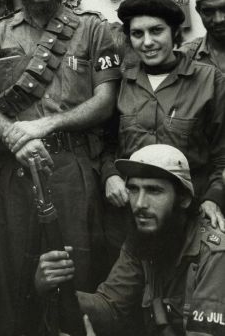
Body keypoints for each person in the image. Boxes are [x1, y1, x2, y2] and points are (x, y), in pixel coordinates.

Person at [0, 0, 121, 335]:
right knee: (14, 274)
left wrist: (48, 123)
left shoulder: (92, 29)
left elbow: (105, 99)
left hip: (71, 169)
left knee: (76, 267)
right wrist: (12, 137)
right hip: (15, 169)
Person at [36, 144, 225, 336]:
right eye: (133, 189)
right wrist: (56, 288)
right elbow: (110, 307)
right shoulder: (147, 238)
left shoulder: (215, 254)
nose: (140, 204)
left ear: (184, 198)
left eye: (154, 191)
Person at [103, 0, 225, 251]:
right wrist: (110, 175)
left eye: (156, 31)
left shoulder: (210, 81)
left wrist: (214, 198)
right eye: (137, 34)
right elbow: (106, 145)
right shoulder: (121, 83)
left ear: (174, 32)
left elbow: (222, 155)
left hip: (193, 218)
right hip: (137, 218)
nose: (147, 42)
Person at [181, 0, 225, 74]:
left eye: (224, 9)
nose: (218, 19)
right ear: (199, 11)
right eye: (208, 11)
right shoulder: (184, 57)